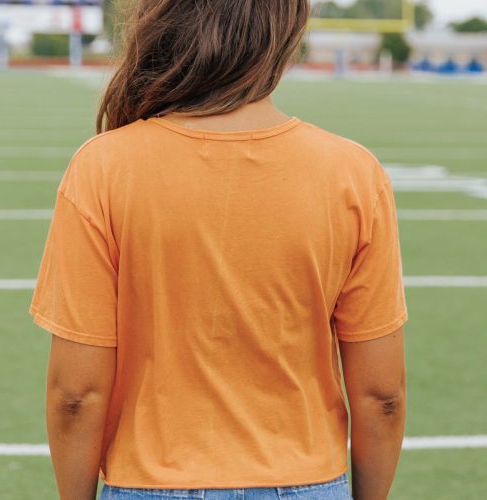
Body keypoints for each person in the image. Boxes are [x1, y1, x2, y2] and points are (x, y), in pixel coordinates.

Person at [28, 0, 408, 499]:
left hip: (149, 482)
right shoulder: (354, 174)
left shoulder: (103, 167)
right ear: (285, 31)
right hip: (307, 480)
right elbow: (382, 395)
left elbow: (76, 394)